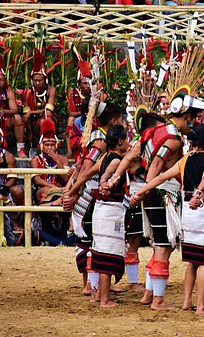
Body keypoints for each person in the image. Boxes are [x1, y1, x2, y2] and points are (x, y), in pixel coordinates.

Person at [137, 124, 204, 315]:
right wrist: (199, 195)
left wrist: (140, 192)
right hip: (203, 210)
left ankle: (186, 301)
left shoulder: (184, 160)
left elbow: (160, 178)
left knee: (192, 261)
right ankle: (200, 306)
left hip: (188, 215)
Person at [62, 103, 125, 299]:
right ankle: (91, 284)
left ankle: (97, 283)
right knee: (90, 242)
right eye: (121, 120)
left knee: (94, 242)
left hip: (92, 194)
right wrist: (73, 192)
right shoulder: (99, 141)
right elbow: (87, 169)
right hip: (91, 196)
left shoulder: (100, 140)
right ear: (114, 121)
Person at [70, 125, 129, 308]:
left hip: (102, 210)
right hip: (110, 211)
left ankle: (98, 295)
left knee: (100, 253)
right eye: (126, 140)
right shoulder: (116, 160)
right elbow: (104, 175)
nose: (127, 143)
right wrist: (105, 183)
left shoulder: (104, 157)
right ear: (120, 142)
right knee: (107, 257)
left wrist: (71, 191)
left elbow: (89, 174)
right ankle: (104, 299)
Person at [21, 55, 58, 153]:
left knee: (47, 117)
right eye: (35, 80)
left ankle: (49, 143)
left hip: (50, 119)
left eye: (40, 80)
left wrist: (31, 112)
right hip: (34, 124)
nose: (37, 83)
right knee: (41, 121)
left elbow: (48, 110)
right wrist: (29, 133)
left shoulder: (51, 90)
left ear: (45, 80)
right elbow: (27, 116)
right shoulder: (27, 92)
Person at [30, 119, 71, 204]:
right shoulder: (35, 160)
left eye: (52, 145)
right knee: (46, 191)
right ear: (41, 146)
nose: (49, 148)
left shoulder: (63, 159)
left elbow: (66, 179)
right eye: (47, 145)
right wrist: (54, 188)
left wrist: (58, 161)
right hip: (42, 190)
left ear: (56, 146)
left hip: (61, 189)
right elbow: (37, 180)